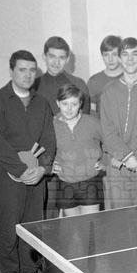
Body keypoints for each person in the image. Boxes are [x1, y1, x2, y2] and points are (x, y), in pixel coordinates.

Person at [0, 50, 56, 273]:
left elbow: (49, 140)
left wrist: (42, 169)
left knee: (32, 229)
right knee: (8, 230)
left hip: (36, 177)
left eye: (32, 70)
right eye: (22, 69)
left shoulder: (42, 104)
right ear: (11, 70)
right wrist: (20, 169)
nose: (27, 75)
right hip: (7, 178)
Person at [100, 37, 137, 209]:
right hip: (116, 163)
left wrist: (132, 158)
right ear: (119, 58)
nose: (130, 59)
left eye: (135, 54)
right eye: (125, 54)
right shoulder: (108, 91)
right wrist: (124, 156)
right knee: (118, 217)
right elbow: (107, 130)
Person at [52, 84, 105, 216]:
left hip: (90, 182)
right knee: (73, 226)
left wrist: (106, 161)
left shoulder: (92, 122)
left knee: (90, 224)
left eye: (74, 104)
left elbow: (110, 142)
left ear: (80, 103)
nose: (69, 109)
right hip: (65, 182)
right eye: (65, 104)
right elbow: (44, 148)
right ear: (58, 103)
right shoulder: (51, 125)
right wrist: (49, 164)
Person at [34, 36, 90, 115]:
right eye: (52, 56)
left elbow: (85, 118)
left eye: (61, 58)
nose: (56, 62)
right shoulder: (34, 86)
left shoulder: (79, 84)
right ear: (44, 57)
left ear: (67, 59)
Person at [87, 35, 122, 116]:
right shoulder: (94, 81)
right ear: (102, 56)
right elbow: (91, 113)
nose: (110, 59)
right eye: (106, 55)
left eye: (114, 54)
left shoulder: (130, 78)